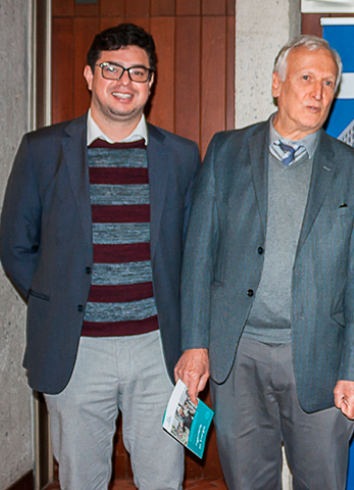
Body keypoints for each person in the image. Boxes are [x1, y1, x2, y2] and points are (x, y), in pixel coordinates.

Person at [174, 34, 354, 490]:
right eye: (306, 78)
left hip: (321, 358)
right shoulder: (226, 152)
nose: (318, 92)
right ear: (277, 84)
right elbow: (198, 253)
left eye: (328, 83)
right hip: (236, 354)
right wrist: (194, 343)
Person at [0, 23, 200, 490]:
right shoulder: (41, 149)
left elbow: (196, 251)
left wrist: (196, 343)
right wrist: (57, 300)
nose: (124, 81)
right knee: (80, 480)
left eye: (138, 72)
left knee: (165, 479)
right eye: (112, 69)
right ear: (90, 75)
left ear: (151, 83)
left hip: (161, 351)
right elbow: (15, 245)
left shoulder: (182, 156)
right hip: (75, 351)